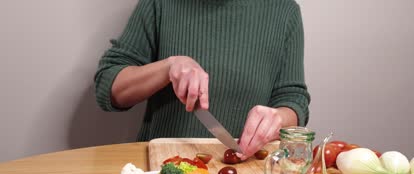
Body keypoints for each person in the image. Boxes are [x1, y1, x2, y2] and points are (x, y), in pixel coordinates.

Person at [94, 0, 310, 160]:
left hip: (245, 171)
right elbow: (109, 86)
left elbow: (293, 99)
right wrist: (169, 67)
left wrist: (279, 118)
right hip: (162, 167)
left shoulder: (285, 11)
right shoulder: (159, 4)